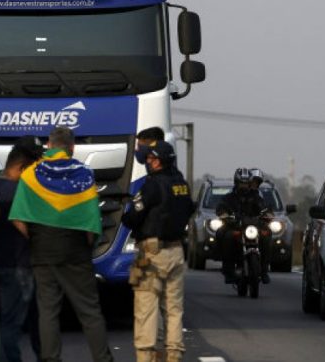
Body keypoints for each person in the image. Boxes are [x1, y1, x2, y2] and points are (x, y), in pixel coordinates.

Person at [10, 126, 114, 362]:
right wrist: (86, 245)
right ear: (72, 147)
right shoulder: (84, 173)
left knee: (48, 311)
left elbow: (17, 218)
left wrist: (36, 238)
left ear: (48, 145)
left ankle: (50, 359)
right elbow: (90, 221)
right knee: (89, 311)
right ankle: (103, 359)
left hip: (42, 250)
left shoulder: (30, 174)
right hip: (75, 250)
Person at [122, 141, 195, 362]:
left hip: (152, 254)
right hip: (176, 252)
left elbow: (132, 217)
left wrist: (128, 211)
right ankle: (174, 355)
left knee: (146, 308)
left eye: (151, 159)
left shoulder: (152, 185)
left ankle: (146, 357)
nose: (148, 163)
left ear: (160, 161)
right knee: (174, 309)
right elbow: (189, 209)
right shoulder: (181, 184)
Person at [0, 136, 43, 362]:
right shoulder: (21, 191)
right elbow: (28, 228)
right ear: (22, 167)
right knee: (17, 324)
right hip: (19, 266)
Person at [217, 167, 271, 284]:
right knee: (225, 236)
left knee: (267, 235)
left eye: (246, 183)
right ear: (236, 183)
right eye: (241, 183)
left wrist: (267, 214)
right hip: (235, 226)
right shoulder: (229, 197)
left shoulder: (256, 196)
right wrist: (224, 215)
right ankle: (228, 270)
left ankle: (264, 270)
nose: (244, 186)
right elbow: (221, 207)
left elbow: (264, 207)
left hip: (252, 226)